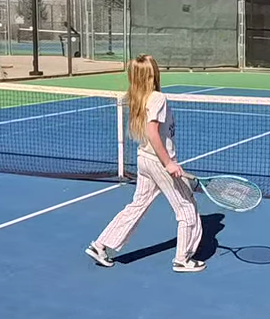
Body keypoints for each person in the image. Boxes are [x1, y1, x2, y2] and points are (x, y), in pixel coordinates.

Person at [86, 55, 204, 272]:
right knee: (186, 208)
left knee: (138, 205)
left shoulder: (137, 97)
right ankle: (183, 258)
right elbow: (152, 132)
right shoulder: (157, 98)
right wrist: (168, 163)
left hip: (144, 160)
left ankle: (100, 245)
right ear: (152, 74)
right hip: (159, 162)